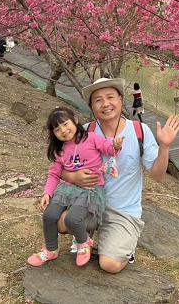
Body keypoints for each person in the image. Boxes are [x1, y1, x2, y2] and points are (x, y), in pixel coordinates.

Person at [57, 77, 179, 273]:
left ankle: (125, 247)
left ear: (121, 99)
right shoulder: (84, 132)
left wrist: (164, 146)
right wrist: (74, 177)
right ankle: (86, 235)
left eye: (110, 97)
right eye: (98, 100)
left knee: (109, 265)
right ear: (91, 106)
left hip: (123, 211)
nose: (105, 104)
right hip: (90, 204)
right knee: (60, 223)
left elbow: (157, 176)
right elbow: (60, 167)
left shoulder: (139, 131)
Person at [28, 107, 124, 267]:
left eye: (66, 124)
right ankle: (51, 249)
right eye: (58, 130)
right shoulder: (60, 150)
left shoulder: (92, 138)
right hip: (66, 190)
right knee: (49, 216)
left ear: (75, 120)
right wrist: (47, 193)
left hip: (90, 191)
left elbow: (108, 148)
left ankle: (84, 243)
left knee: (73, 218)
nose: (64, 131)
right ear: (54, 134)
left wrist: (116, 145)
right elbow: (54, 174)